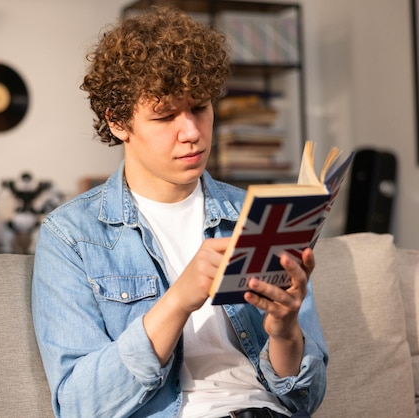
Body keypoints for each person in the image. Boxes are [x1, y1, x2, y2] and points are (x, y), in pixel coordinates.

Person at [32, 6, 328, 418]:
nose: (191, 132)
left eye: (200, 108)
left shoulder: (254, 214)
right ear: (118, 122)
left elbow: (306, 399)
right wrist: (177, 302)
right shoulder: (71, 235)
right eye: (165, 115)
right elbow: (80, 405)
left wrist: (285, 333)